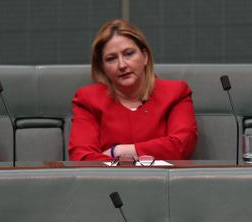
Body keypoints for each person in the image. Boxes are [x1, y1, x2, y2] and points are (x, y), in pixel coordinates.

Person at [68, 19, 198, 161]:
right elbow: (81, 157)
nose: (122, 65)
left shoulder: (175, 92)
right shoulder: (88, 99)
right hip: (108, 182)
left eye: (129, 54)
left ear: (145, 56)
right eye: (111, 59)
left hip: (165, 181)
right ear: (103, 68)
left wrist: (118, 151)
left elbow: (181, 146)